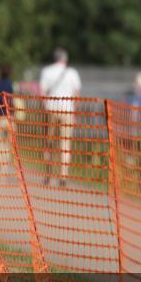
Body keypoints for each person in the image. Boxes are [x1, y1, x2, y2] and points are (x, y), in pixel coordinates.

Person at [39, 47, 82, 187]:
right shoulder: (72, 73)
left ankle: (48, 175)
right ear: (65, 59)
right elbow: (76, 94)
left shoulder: (46, 71)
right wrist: (75, 112)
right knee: (65, 144)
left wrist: (43, 108)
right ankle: (63, 175)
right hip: (67, 110)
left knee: (48, 143)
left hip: (50, 109)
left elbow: (42, 92)